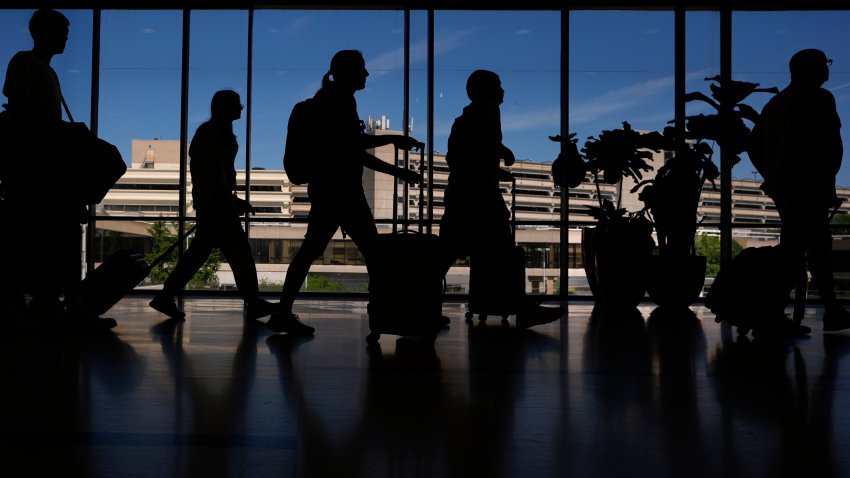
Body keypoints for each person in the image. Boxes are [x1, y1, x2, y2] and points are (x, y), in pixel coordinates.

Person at [267, 50, 423, 335]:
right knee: (373, 255)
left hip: (328, 191)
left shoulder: (330, 102)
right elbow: (353, 146)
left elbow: (350, 148)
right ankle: (385, 315)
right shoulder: (338, 103)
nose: (366, 74)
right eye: (361, 69)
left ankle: (283, 311)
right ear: (348, 73)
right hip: (344, 192)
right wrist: (394, 142)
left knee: (311, 252)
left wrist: (397, 165)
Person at [2, 9, 116, 331]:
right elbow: (22, 114)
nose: (67, 37)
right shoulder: (26, 63)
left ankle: (32, 307)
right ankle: (58, 307)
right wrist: (64, 132)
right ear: (43, 33)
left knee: (43, 238)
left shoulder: (41, 70)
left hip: (39, 168)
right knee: (45, 237)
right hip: (34, 170)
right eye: (62, 31)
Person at [440, 69, 563, 328]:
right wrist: (497, 157)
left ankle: (419, 305)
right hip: (476, 199)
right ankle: (519, 307)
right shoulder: (479, 117)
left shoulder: (476, 117)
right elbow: (467, 157)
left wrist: (495, 163)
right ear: (485, 91)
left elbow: (465, 157)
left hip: (467, 196)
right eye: (497, 85)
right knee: (500, 251)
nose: (503, 90)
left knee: (452, 254)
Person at [149, 90, 276, 321]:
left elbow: (212, 174)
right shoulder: (214, 134)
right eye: (237, 104)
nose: (241, 108)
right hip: (218, 205)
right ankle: (253, 301)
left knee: (200, 255)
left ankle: (166, 296)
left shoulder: (211, 133)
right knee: (239, 253)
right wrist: (231, 201)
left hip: (213, 204)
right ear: (225, 107)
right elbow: (216, 176)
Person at [750, 48, 850, 333]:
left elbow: (754, 145)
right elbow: (828, 145)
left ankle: (780, 313)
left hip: (788, 187)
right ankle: (811, 312)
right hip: (811, 186)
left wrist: (772, 176)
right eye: (825, 64)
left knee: (799, 247)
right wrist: (826, 179)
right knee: (811, 248)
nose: (828, 69)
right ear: (813, 69)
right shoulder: (820, 98)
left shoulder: (776, 104)